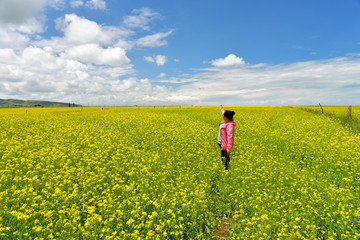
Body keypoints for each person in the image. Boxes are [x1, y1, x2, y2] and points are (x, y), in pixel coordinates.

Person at [218, 105, 236, 170]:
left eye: (224, 116)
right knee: (223, 157)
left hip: (225, 145)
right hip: (222, 142)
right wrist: (222, 109)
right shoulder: (226, 121)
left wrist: (229, 148)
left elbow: (230, 137)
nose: (223, 117)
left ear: (226, 117)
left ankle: (226, 170)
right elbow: (224, 113)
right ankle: (225, 168)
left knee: (225, 157)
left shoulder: (230, 126)